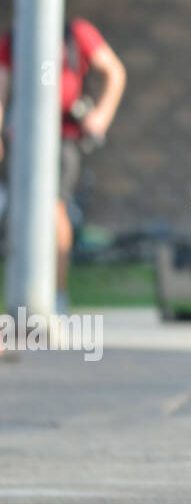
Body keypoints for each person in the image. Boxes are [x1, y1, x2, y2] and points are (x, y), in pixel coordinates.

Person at [0, 18, 127, 311]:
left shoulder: (76, 33)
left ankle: (57, 295)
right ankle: (21, 293)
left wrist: (100, 117)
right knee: (19, 211)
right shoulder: (16, 38)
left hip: (63, 138)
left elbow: (115, 72)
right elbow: (3, 88)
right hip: (24, 139)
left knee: (55, 207)